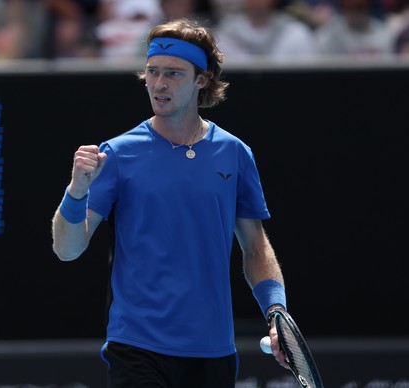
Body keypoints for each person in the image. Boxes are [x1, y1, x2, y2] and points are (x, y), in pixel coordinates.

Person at [51, 18, 289, 387]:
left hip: (212, 351)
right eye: (152, 72)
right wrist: (76, 191)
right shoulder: (116, 154)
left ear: (202, 80)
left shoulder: (235, 154)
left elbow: (255, 248)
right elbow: (67, 249)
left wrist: (276, 311)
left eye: (174, 74)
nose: (159, 84)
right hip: (136, 347)